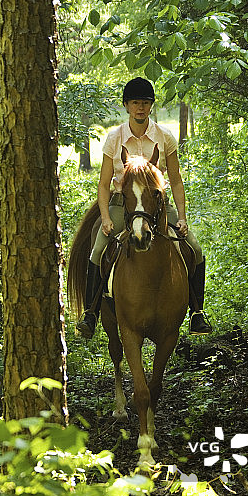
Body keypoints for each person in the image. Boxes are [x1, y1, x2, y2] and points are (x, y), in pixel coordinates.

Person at [76, 76, 212, 338]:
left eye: (146, 103)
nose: (141, 108)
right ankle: (90, 313)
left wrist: (182, 217)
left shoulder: (165, 136)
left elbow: (175, 179)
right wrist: (105, 218)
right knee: (97, 250)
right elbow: (104, 184)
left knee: (194, 247)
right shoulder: (114, 138)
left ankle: (197, 313)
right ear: (127, 105)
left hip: (157, 205)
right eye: (136, 102)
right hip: (121, 203)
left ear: (151, 106)